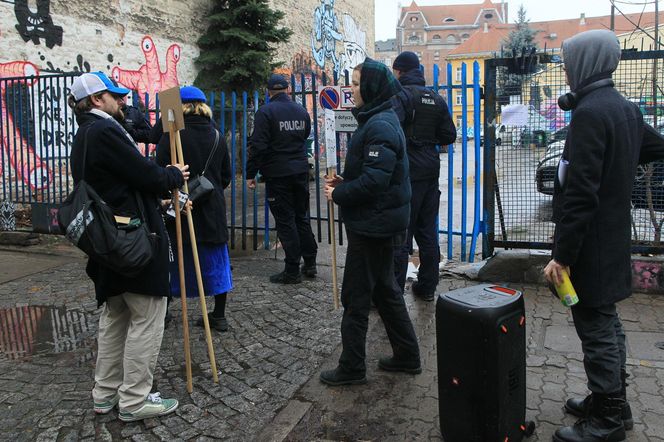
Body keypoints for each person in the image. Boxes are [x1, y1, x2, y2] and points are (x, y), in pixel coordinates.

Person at [543, 30, 664, 442]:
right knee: (608, 325)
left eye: (567, 59)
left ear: (586, 61)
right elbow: (652, 146)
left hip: (590, 246)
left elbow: (580, 196)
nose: (564, 67)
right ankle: (614, 403)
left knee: (596, 329)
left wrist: (562, 256)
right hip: (612, 237)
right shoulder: (622, 108)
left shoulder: (592, 112)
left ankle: (608, 421)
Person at [67, 72, 188, 422]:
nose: (122, 101)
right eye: (114, 96)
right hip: (132, 239)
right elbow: (145, 175)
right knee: (147, 316)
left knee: (116, 316)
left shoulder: (85, 134)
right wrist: (172, 176)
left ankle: (104, 394)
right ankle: (134, 400)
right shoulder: (104, 130)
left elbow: (120, 180)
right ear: (95, 101)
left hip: (108, 240)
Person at [321, 58, 421, 386]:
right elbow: (373, 174)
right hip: (377, 221)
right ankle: (407, 355)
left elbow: (375, 182)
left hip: (373, 225)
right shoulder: (378, 119)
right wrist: (344, 183)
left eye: (355, 82)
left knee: (356, 296)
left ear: (372, 87)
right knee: (386, 290)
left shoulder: (380, 124)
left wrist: (340, 194)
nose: (351, 88)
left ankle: (352, 367)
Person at [156, 86, 233, 332]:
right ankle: (218, 315)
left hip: (178, 207)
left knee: (173, 260)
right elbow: (225, 176)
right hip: (211, 209)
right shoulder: (218, 137)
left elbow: (158, 176)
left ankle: (165, 313)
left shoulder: (170, 137)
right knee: (216, 262)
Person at [391, 51, 457, 301]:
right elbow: (449, 135)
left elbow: (391, 128)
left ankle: (394, 293)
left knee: (401, 235)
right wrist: (428, 141)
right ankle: (427, 287)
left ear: (399, 71)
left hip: (407, 173)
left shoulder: (401, 95)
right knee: (428, 232)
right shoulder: (436, 98)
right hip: (430, 172)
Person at [247, 74, 317, 284]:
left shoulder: (265, 112)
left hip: (278, 173)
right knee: (301, 217)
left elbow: (257, 146)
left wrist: (251, 173)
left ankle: (292, 270)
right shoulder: (301, 111)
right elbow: (304, 136)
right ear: (288, 90)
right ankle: (311, 262)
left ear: (269, 92)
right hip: (300, 170)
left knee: (286, 221)